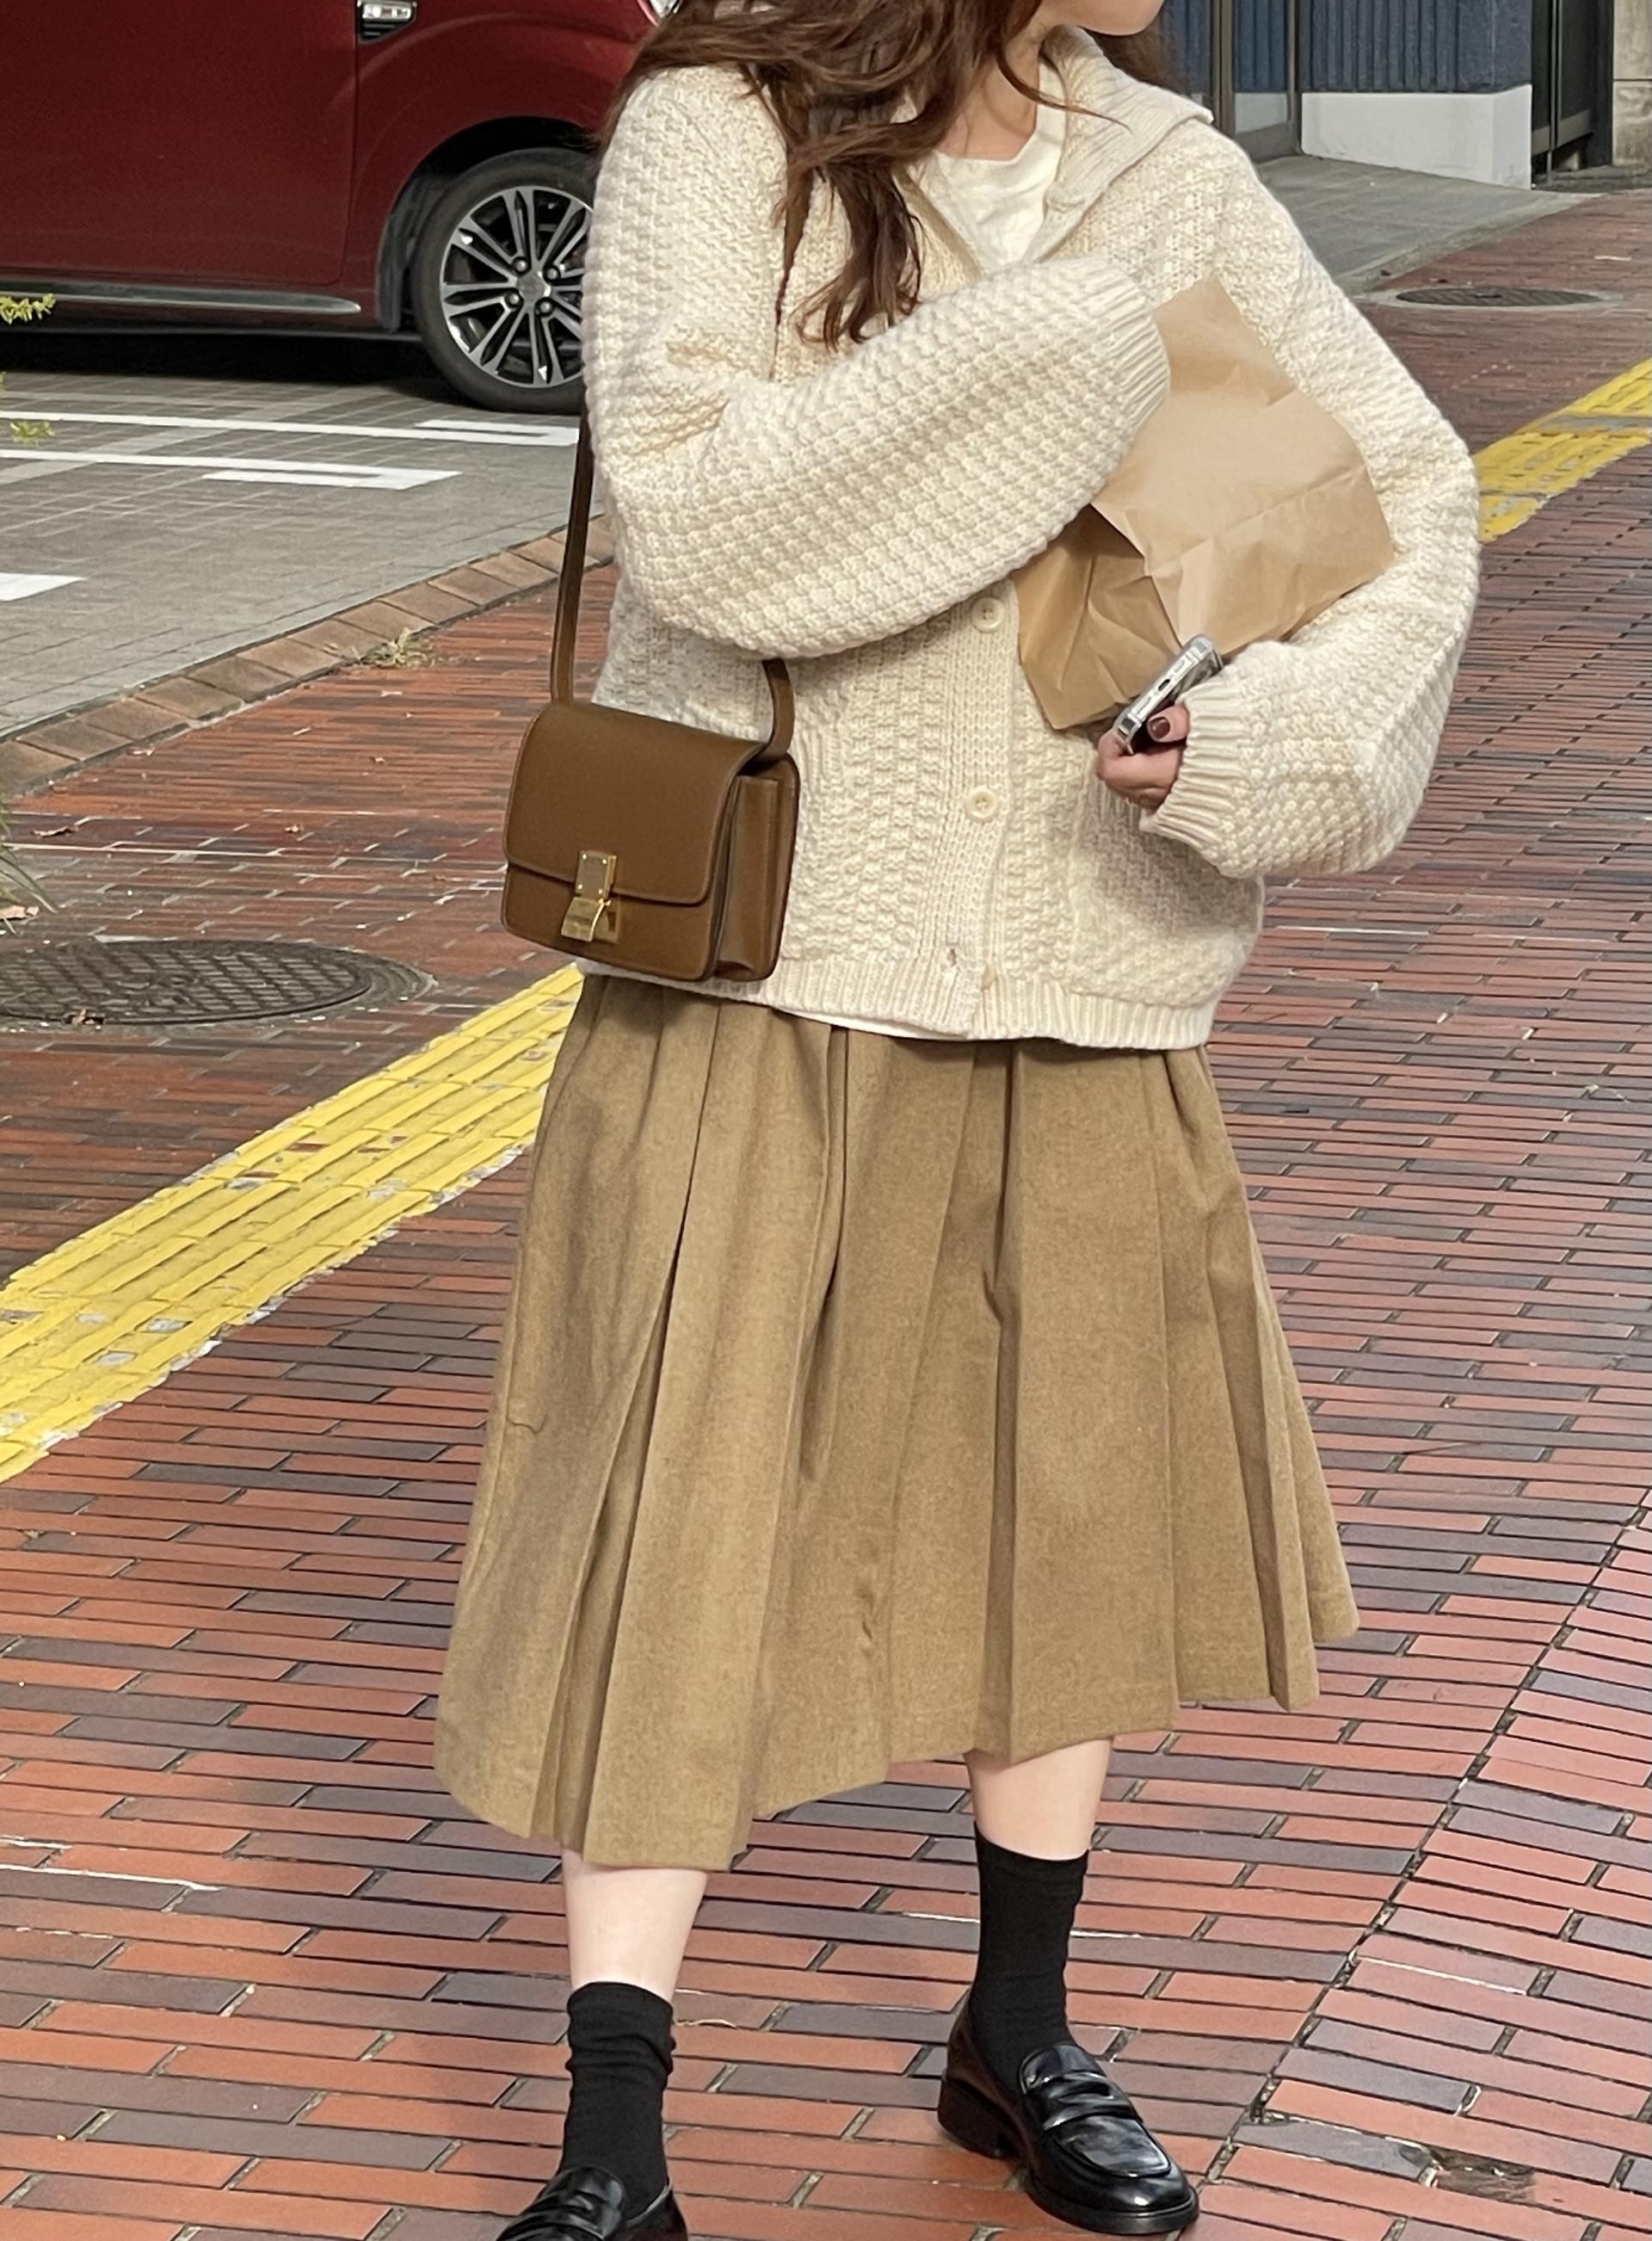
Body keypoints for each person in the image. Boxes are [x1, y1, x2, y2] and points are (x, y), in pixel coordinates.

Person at [435, 0, 1482, 2233]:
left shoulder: (1165, 173)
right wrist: (1078, 340)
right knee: (677, 1534)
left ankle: (1022, 2034)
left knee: (1057, 1528)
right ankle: (614, 2145)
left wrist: (1251, 743)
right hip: (772, 973)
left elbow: (1398, 523)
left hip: (1085, 974)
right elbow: (707, 526)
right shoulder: (726, 123)